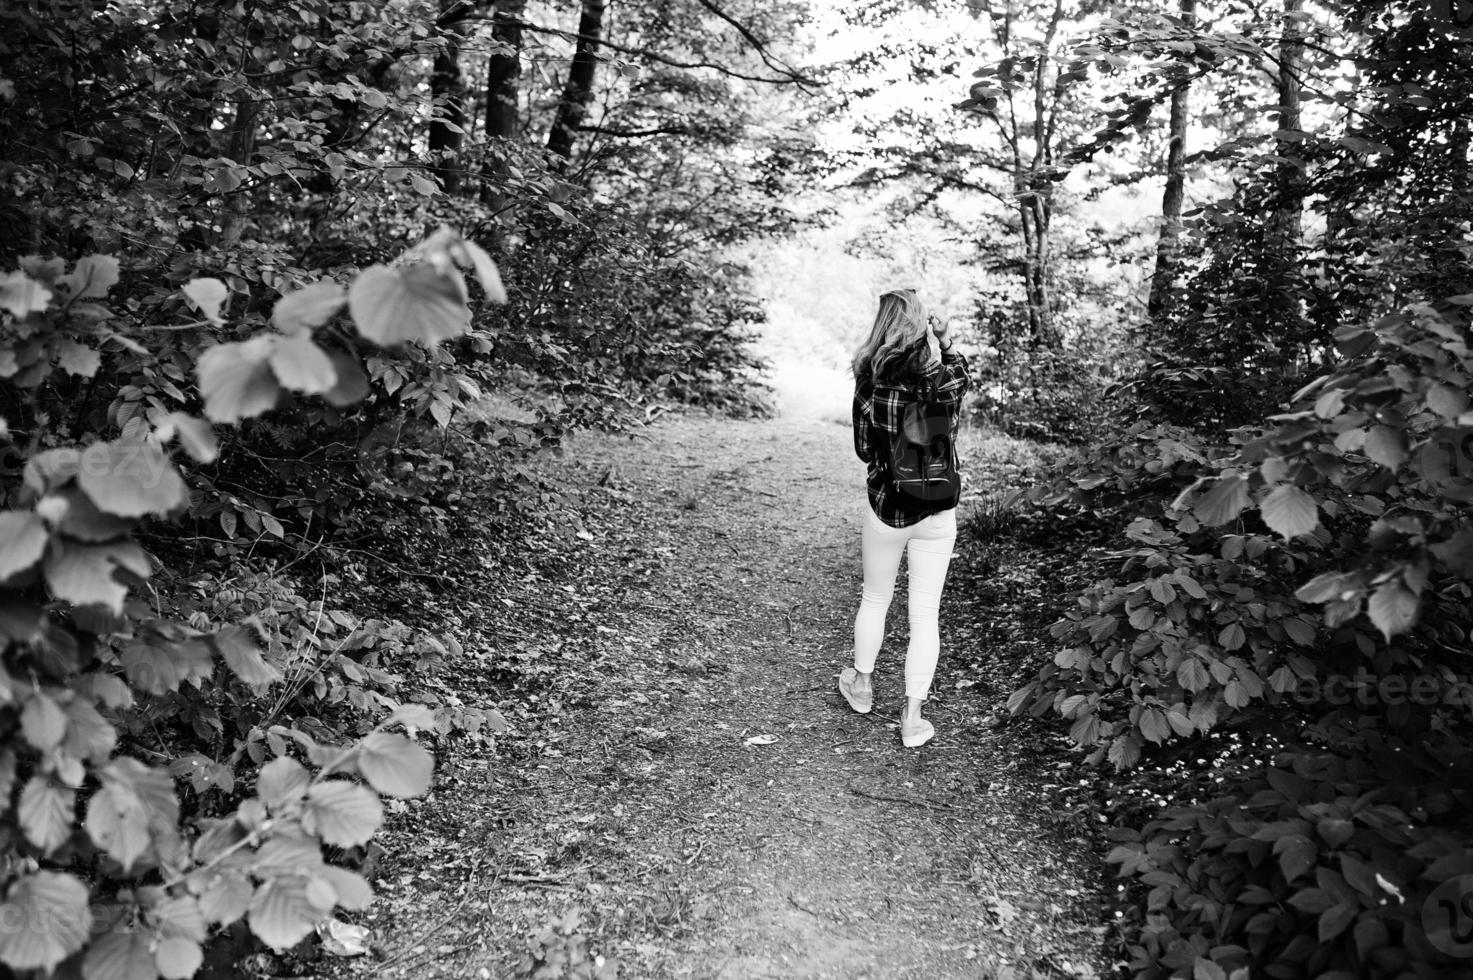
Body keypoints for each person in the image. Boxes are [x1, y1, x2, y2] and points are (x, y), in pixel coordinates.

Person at [842, 288, 969, 748]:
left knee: (875, 598)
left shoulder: (869, 381)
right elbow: (962, 375)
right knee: (925, 615)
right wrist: (947, 340)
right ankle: (913, 718)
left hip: (888, 506)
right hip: (937, 510)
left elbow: (862, 449)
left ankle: (861, 686)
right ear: (920, 326)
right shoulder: (940, 379)